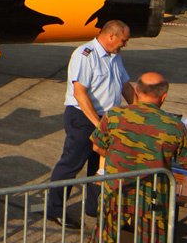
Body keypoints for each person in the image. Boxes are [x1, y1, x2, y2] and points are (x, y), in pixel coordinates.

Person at [81, 73, 187, 243]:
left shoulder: (114, 115)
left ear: (136, 90)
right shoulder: (174, 126)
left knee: (104, 231)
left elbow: (97, 147)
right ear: (163, 97)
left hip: (117, 190)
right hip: (151, 198)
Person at [45, 20, 135, 226]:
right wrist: (98, 123)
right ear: (112, 36)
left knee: (100, 166)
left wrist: (142, 112)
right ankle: (54, 209)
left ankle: (94, 208)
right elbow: (80, 93)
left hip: (107, 119)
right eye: (124, 40)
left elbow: (126, 87)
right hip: (84, 118)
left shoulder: (115, 57)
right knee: (72, 163)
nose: (125, 45)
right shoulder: (85, 55)